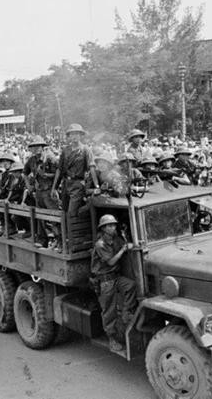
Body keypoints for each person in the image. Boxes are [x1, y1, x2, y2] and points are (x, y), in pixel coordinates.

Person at [91, 214, 136, 352]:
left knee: (131, 285)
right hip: (105, 281)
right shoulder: (100, 244)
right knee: (108, 311)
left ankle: (126, 312)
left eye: (114, 225)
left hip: (115, 277)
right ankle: (112, 339)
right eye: (110, 226)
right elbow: (110, 261)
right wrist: (123, 249)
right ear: (103, 228)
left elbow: (124, 244)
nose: (113, 227)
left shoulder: (114, 239)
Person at [51, 124, 100, 225]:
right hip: (65, 184)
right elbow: (59, 170)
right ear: (69, 136)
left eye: (77, 134)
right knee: (63, 212)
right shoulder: (65, 150)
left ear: (81, 135)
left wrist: (97, 186)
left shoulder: (86, 150)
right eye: (72, 134)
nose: (74, 137)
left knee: (71, 213)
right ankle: (64, 237)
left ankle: (74, 238)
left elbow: (92, 168)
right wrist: (54, 187)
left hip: (77, 184)